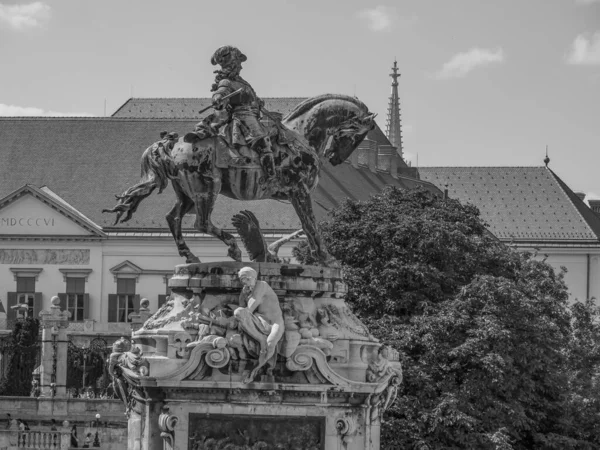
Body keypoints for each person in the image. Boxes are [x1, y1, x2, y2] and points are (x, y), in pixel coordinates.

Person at [208, 45, 276, 179]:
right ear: (232, 63)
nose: (241, 66)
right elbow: (220, 93)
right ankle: (271, 178)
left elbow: (252, 99)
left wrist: (257, 102)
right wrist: (218, 99)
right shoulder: (227, 82)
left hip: (254, 116)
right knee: (264, 145)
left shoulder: (241, 82)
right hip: (243, 118)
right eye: (239, 63)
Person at [233, 267, 284, 382]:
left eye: (245, 279)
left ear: (252, 277)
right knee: (239, 312)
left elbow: (250, 308)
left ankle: (256, 370)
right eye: (242, 280)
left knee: (270, 344)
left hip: (274, 322)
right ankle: (261, 339)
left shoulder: (262, 285)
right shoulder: (247, 290)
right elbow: (242, 308)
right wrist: (243, 295)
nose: (243, 282)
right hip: (258, 321)